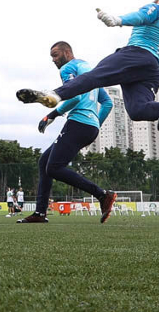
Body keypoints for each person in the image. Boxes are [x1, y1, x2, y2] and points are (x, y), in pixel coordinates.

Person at [17, 0, 159, 133]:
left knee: (94, 77)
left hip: (136, 55)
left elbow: (142, 16)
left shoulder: (157, 9)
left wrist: (118, 20)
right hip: (153, 71)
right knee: (137, 110)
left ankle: (55, 95)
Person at [18, 41, 117, 224]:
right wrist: (95, 123)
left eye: (55, 55)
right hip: (89, 127)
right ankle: (40, 213)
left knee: (54, 168)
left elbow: (76, 96)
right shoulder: (90, 72)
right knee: (45, 162)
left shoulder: (68, 68)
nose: (53, 60)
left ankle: (102, 195)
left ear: (67, 53)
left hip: (78, 122)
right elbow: (107, 103)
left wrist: (52, 115)